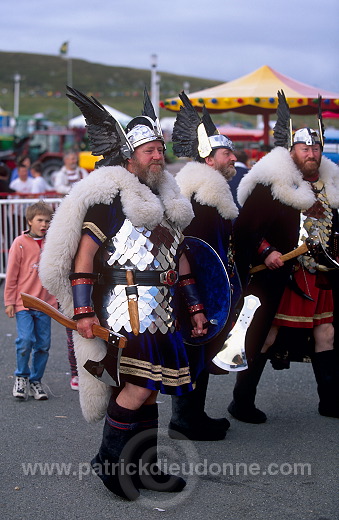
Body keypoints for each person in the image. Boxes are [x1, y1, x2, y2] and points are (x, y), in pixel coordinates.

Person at [39, 87, 208, 500]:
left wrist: (196, 306)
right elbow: (84, 256)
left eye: (159, 148)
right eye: (149, 150)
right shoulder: (111, 197)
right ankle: (109, 462)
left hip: (164, 311)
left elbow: (179, 256)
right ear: (130, 156)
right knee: (137, 389)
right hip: (125, 309)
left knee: (150, 393)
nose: (157, 156)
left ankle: (146, 469)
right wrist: (82, 311)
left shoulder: (167, 198)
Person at [228, 91, 339, 423]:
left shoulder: (331, 187)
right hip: (279, 276)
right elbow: (246, 228)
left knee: (327, 333)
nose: (311, 153)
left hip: (319, 276)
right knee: (266, 336)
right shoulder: (272, 185)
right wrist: (268, 251)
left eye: (316, 148)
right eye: (305, 148)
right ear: (291, 152)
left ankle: (330, 401)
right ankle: (241, 401)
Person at [168, 91, 240, 441]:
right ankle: (185, 420)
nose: (234, 158)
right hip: (193, 289)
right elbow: (190, 252)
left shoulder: (214, 194)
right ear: (209, 160)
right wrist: (195, 298)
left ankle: (195, 415)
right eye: (227, 153)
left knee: (202, 349)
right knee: (193, 350)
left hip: (208, 289)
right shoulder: (201, 197)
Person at [4, 201, 57, 400]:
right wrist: (9, 301)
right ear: (29, 221)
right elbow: (11, 275)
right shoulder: (19, 242)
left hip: (45, 304)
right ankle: (21, 377)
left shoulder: (52, 243)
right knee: (26, 340)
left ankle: (36, 380)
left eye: (47, 221)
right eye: (40, 220)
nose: (44, 224)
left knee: (43, 345)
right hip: (23, 303)